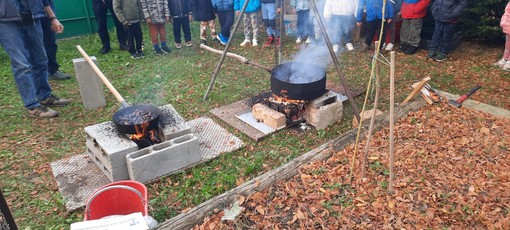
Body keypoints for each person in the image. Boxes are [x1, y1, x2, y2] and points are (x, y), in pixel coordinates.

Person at [0, 0, 71, 118]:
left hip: (33, 16)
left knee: (41, 60)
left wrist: (52, 17)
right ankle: (32, 105)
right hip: (6, 21)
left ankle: (44, 96)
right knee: (21, 64)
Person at [41, 0, 72, 80]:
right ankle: (36, 74)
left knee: (50, 42)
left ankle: (52, 70)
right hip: (28, 13)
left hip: (47, 10)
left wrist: (52, 17)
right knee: (33, 45)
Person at [495, 1, 510, 71]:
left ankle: (509, 62)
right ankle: (505, 58)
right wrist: (504, 21)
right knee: (508, 44)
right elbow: (507, 12)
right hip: (508, 25)